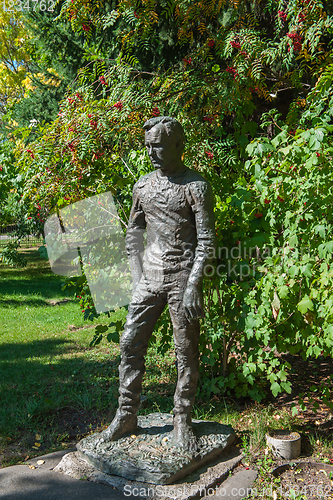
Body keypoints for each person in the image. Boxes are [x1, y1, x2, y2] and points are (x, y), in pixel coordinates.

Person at [100, 116, 215, 449]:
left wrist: (194, 285)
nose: (152, 152)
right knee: (129, 343)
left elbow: (207, 239)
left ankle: (182, 419)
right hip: (149, 277)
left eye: (159, 145)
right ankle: (126, 415)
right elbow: (133, 232)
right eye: (148, 146)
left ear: (178, 145)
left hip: (182, 277)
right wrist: (137, 279)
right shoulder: (143, 185)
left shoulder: (196, 186)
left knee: (185, 350)